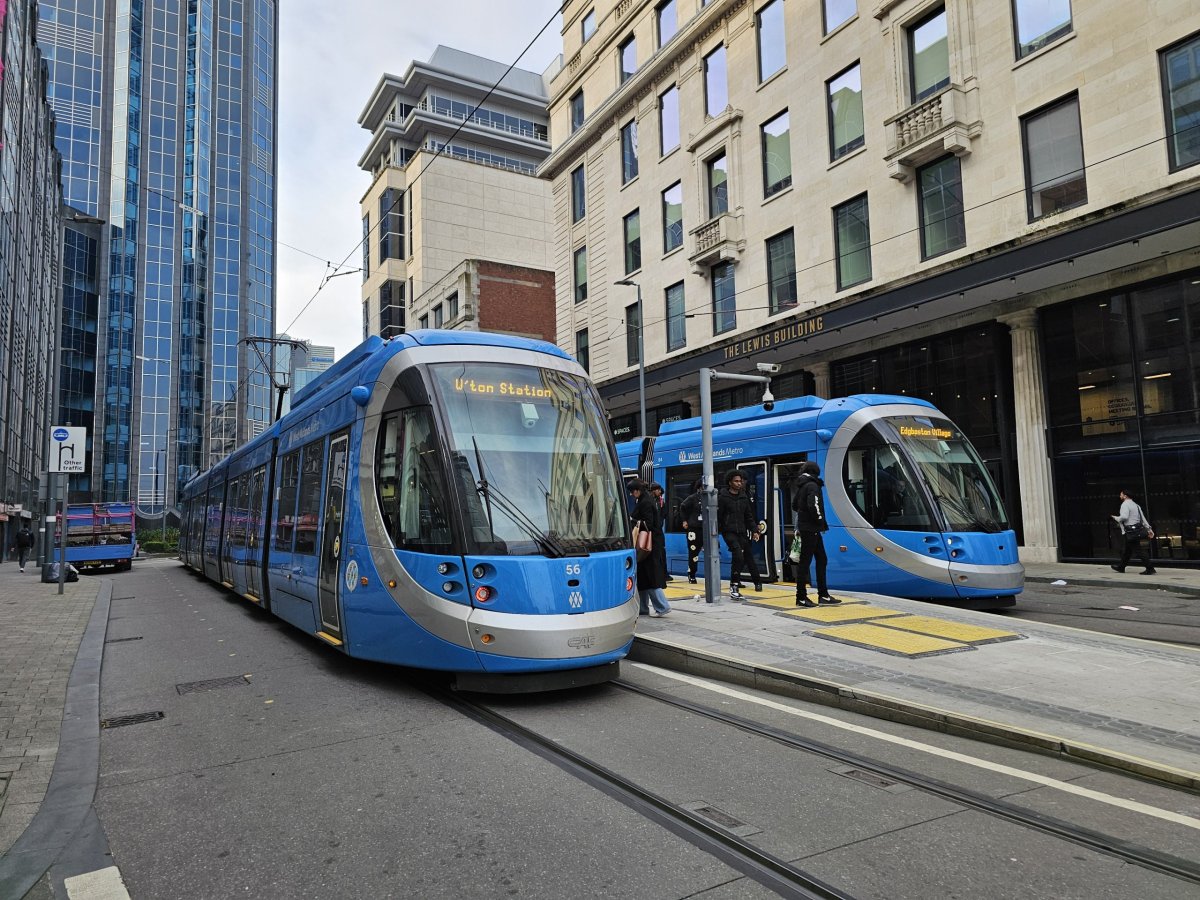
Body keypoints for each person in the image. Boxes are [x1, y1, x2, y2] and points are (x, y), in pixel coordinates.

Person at [793, 461, 840, 607]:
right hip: (811, 529)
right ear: (816, 472)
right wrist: (819, 522)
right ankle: (801, 597)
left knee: (821, 559)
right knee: (805, 562)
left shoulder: (802, 485)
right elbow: (814, 506)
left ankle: (823, 595)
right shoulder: (812, 485)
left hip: (808, 528)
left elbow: (794, 505)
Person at [717, 469, 761, 600]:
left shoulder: (743, 497)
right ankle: (734, 586)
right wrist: (717, 534)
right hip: (729, 532)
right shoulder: (723, 498)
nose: (739, 483)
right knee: (738, 555)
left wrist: (755, 531)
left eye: (740, 481)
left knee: (744, 557)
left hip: (741, 532)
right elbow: (718, 517)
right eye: (736, 481)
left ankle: (742, 583)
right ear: (730, 482)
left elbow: (748, 516)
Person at [628, 480, 670, 617]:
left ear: (637, 490)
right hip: (648, 545)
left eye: (632, 491)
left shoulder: (645, 502)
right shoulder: (644, 499)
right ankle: (643, 608)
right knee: (643, 577)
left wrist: (632, 521)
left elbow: (649, 524)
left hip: (649, 545)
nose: (631, 494)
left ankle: (662, 607)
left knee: (650, 577)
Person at [1111, 489, 1156, 575]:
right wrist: (1149, 529)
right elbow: (1142, 518)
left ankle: (1150, 568)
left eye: (1121, 494)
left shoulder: (1125, 504)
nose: (1120, 496)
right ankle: (1121, 567)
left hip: (1129, 532)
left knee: (1139, 550)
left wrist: (1116, 518)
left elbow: (1124, 517)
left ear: (1125, 496)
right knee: (1127, 551)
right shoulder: (1136, 505)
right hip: (1135, 531)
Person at [679, 478, 706, 584]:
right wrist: (684, 520)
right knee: (693, 552)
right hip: (693, 529)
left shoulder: (710, 498)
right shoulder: (692, 498)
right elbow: (682, 507)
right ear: (699, 488)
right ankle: (692, 574)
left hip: (705, 528)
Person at [649, 483, 673, 581]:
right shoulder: (649, 501)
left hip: (658, 531)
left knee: (661, 552)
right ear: (653, 490)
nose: (659, 492)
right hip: (651, 531)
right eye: (658, 490)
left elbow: (664, 514)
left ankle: (664, 573)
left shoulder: (661, 502)